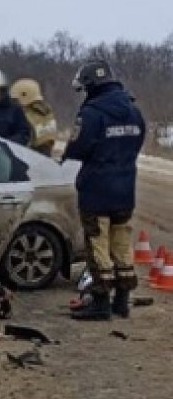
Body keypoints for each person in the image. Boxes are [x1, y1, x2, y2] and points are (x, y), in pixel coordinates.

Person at [64, 60, 146, 320]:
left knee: (97, 244)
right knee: (122, 243)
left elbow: (78, 148)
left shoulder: (91, 113)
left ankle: (100, 303)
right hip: (125, 190)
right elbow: (137, 142)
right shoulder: (134, 111)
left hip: (96, 191)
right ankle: (122, 302)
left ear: (90, 86)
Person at [10, 78, 59, 156]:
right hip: (46, 155)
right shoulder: (46, 112)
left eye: (15, 99)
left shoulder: (28, 116)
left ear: (24, 95)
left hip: (31, 156)